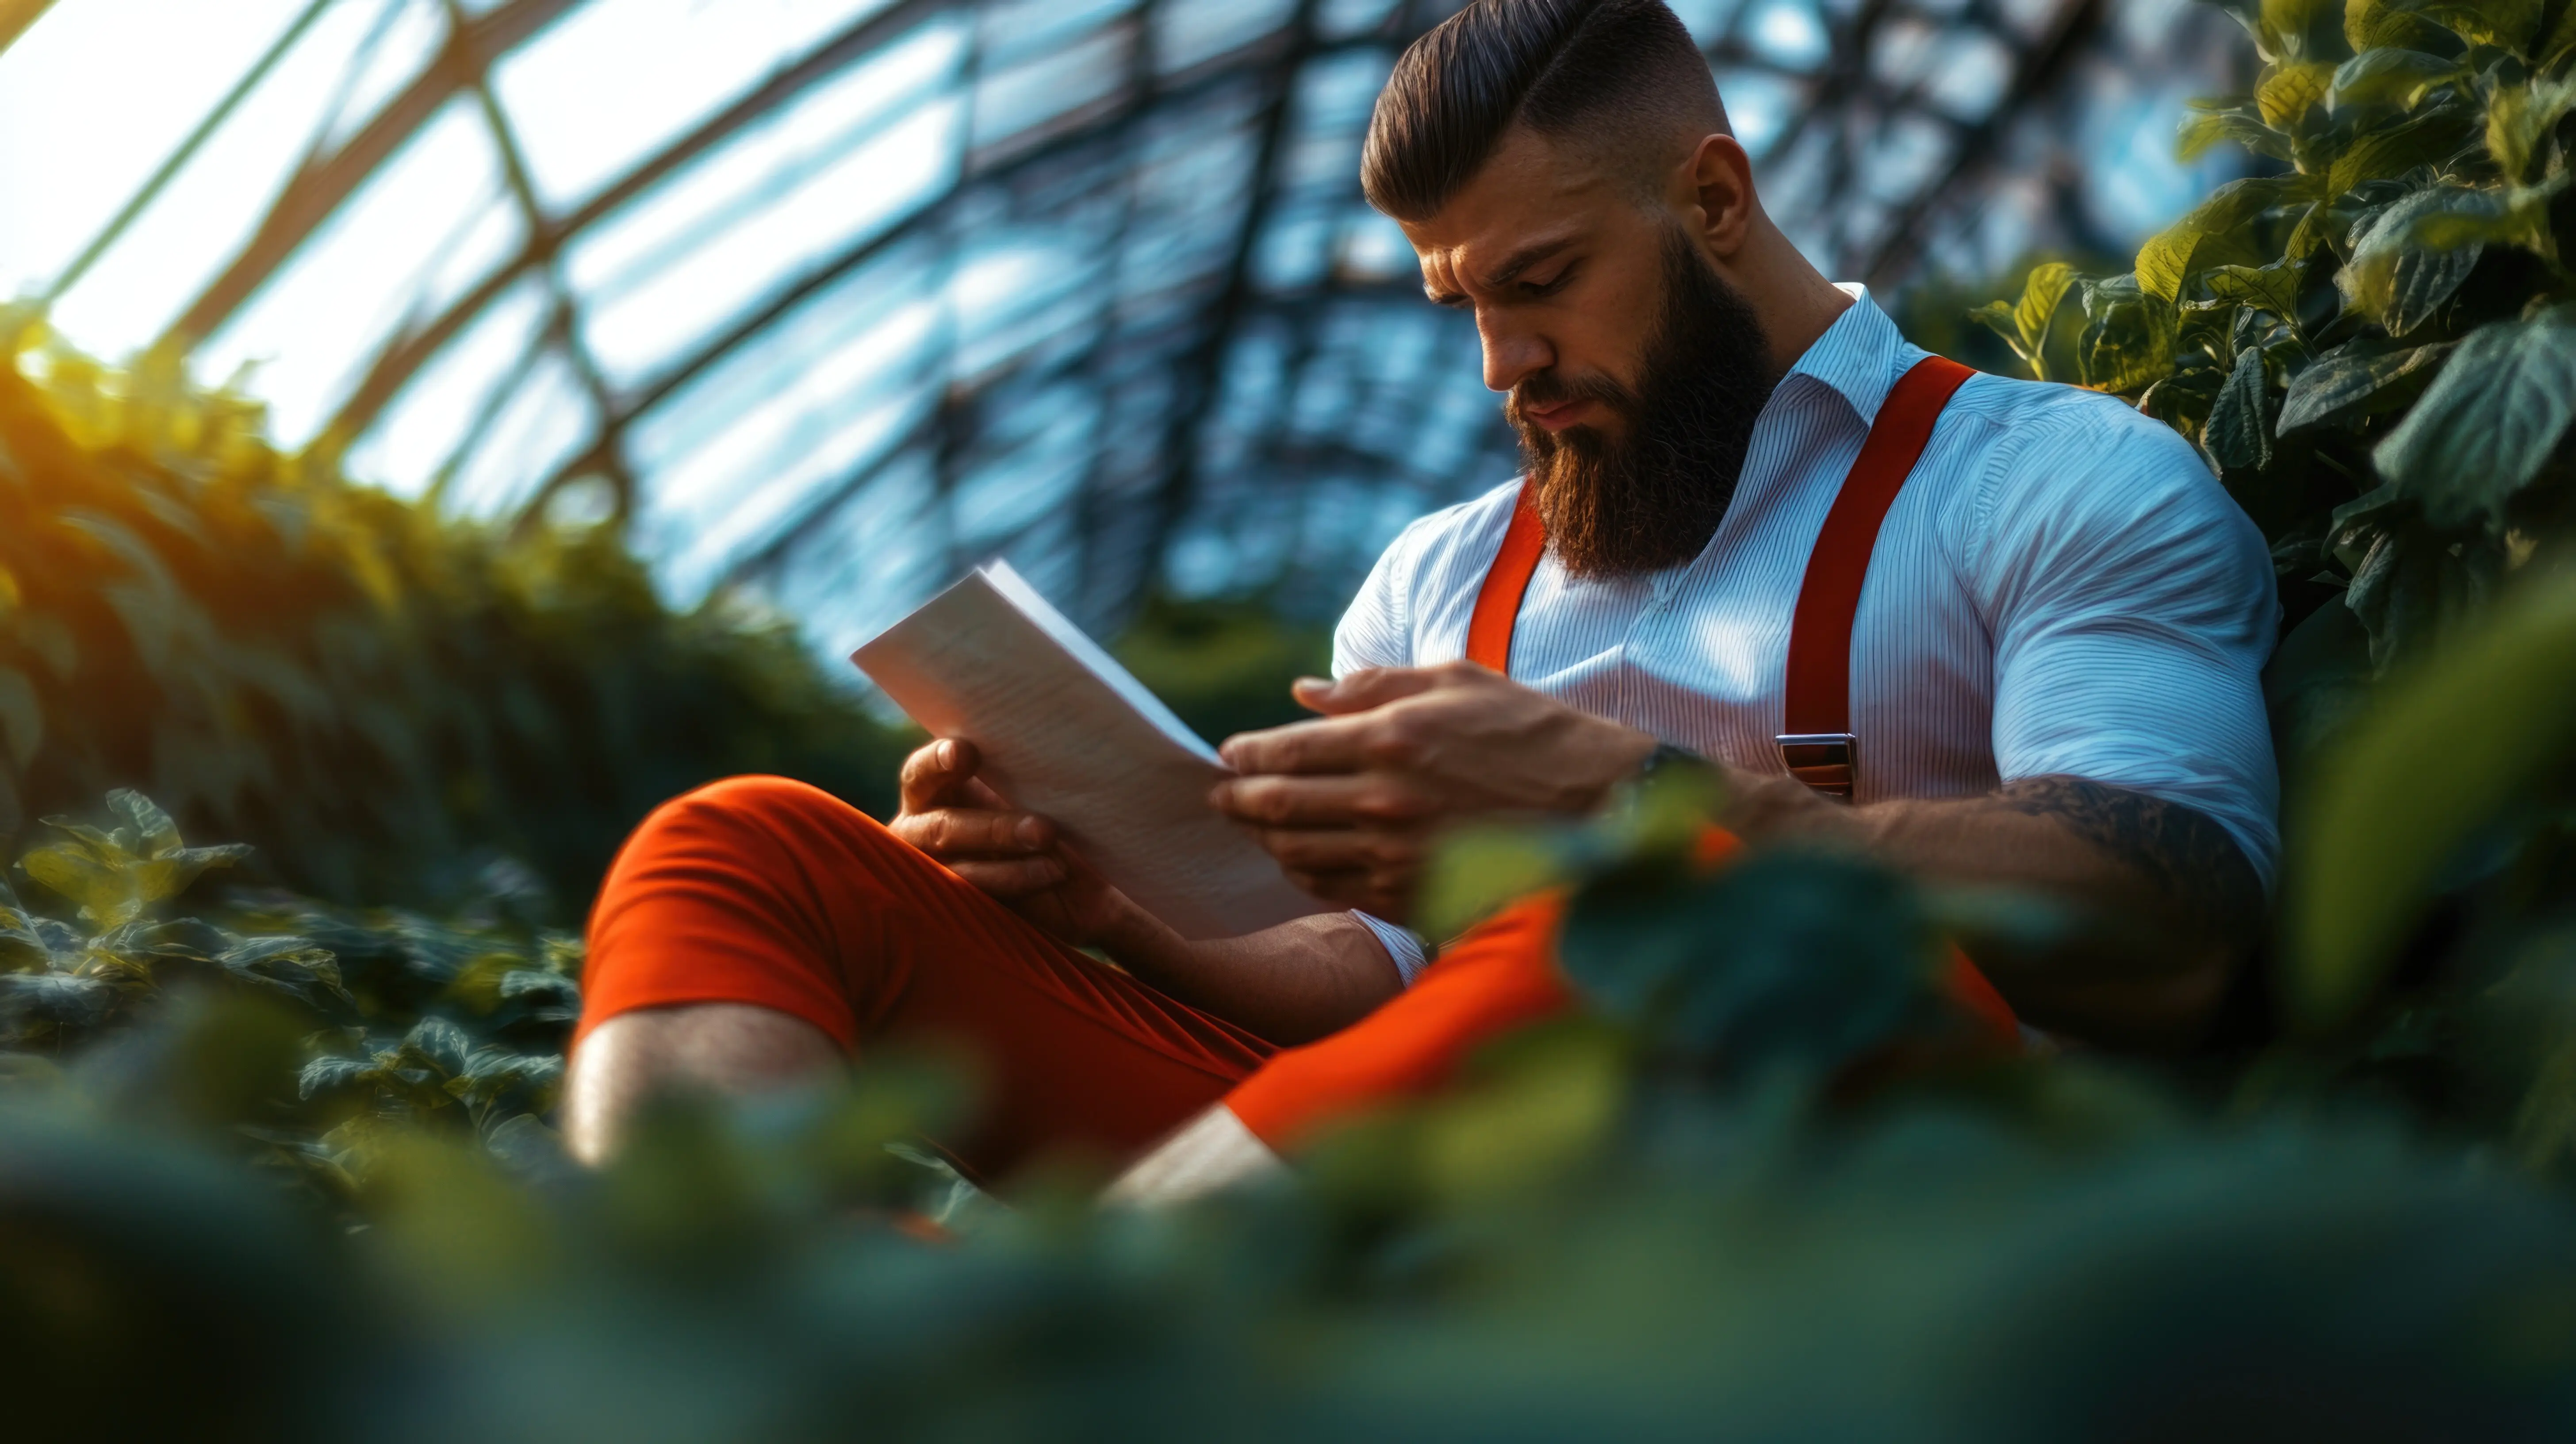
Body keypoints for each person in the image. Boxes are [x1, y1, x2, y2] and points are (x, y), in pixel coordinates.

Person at [562, 0, 2276, 1202]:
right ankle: (719, 1310)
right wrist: (1110, 918)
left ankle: (1001, 1356)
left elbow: (2178, 914)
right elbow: (1382, 978)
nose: (1500, 366)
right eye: (1460, 303)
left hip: (1885, 1199)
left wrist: (1643, 813)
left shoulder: (2055, 482)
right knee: (741, 846)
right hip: (1448, 1168)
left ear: (1713, 197)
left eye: (1541, 286)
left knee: (1644, 911)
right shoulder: (1442, 578)